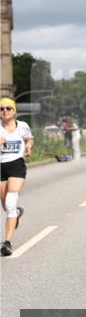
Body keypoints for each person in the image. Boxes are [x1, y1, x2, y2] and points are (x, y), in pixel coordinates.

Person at [0, 99, 31, 256]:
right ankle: (16, 215)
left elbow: (29, 138)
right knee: (6, 206)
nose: (4, 111)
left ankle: (7, 242)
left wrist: (28, 146)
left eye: (8, 108)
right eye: (1, 109)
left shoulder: (23, 126)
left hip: (17, 165)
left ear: (14, 111)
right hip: (1, 168)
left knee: (10, 204)